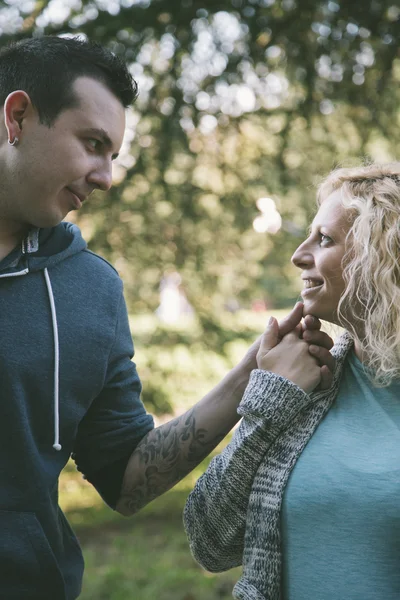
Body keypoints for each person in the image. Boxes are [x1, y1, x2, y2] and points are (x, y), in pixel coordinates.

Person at [0, 35, 336, 599]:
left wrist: (252, 375)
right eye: (92, 144)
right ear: (18, 117)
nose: (105, 177)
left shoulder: (90, 289)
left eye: (113, 156)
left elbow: (126, 480)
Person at [184, 162, 400, 600]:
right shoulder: (308, 388)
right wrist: (269, 398)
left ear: (383, 254)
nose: (298, 255)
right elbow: (209, 541)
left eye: (324, 239)